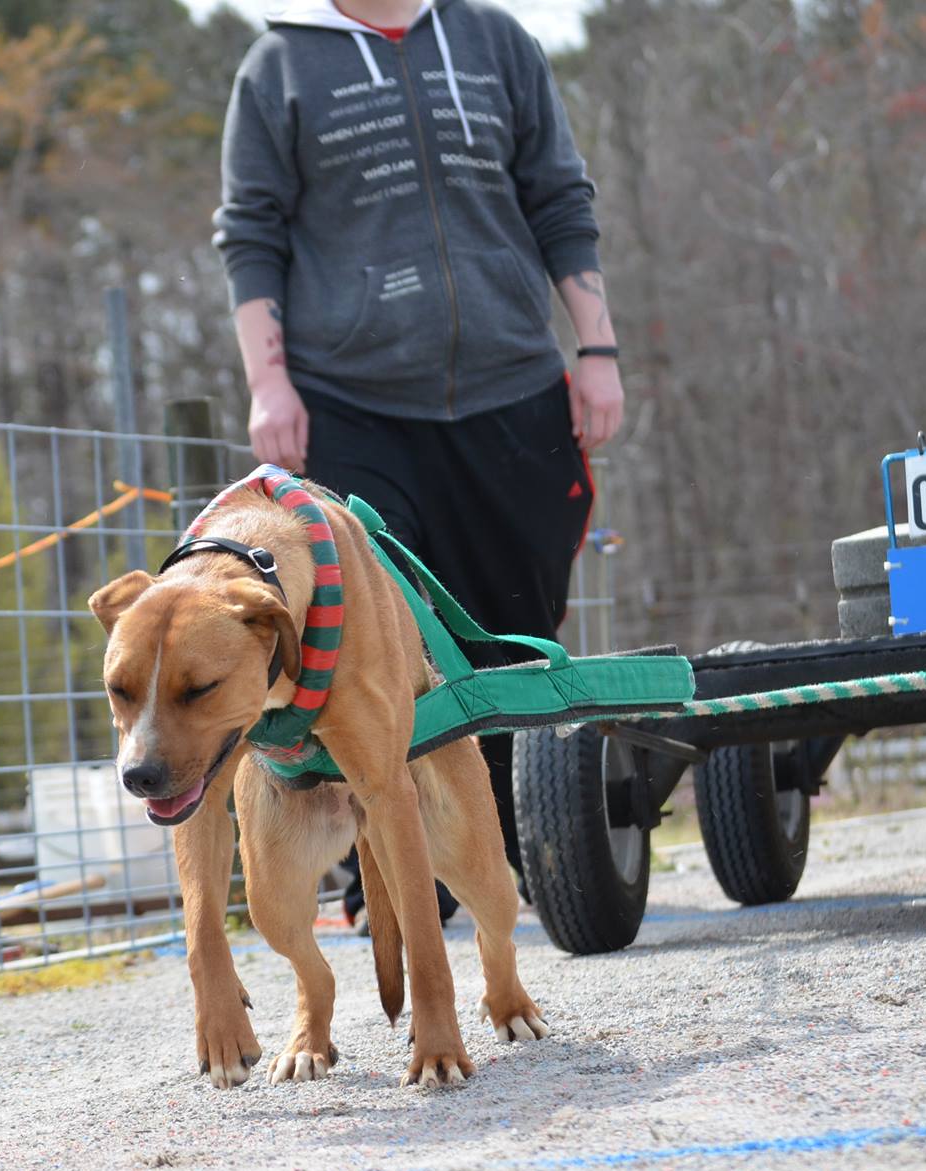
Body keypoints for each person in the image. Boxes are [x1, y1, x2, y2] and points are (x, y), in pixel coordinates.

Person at [212, 0, 624, 921]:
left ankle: (500, 858)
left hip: (513, 384)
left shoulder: (496, 43)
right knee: (378, 637)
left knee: (508, 627)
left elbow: (559, 195)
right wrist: (268, 383)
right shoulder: (278, 67)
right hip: (354, 403)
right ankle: (391, 882)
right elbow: (251, 234)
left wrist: (595, 350)